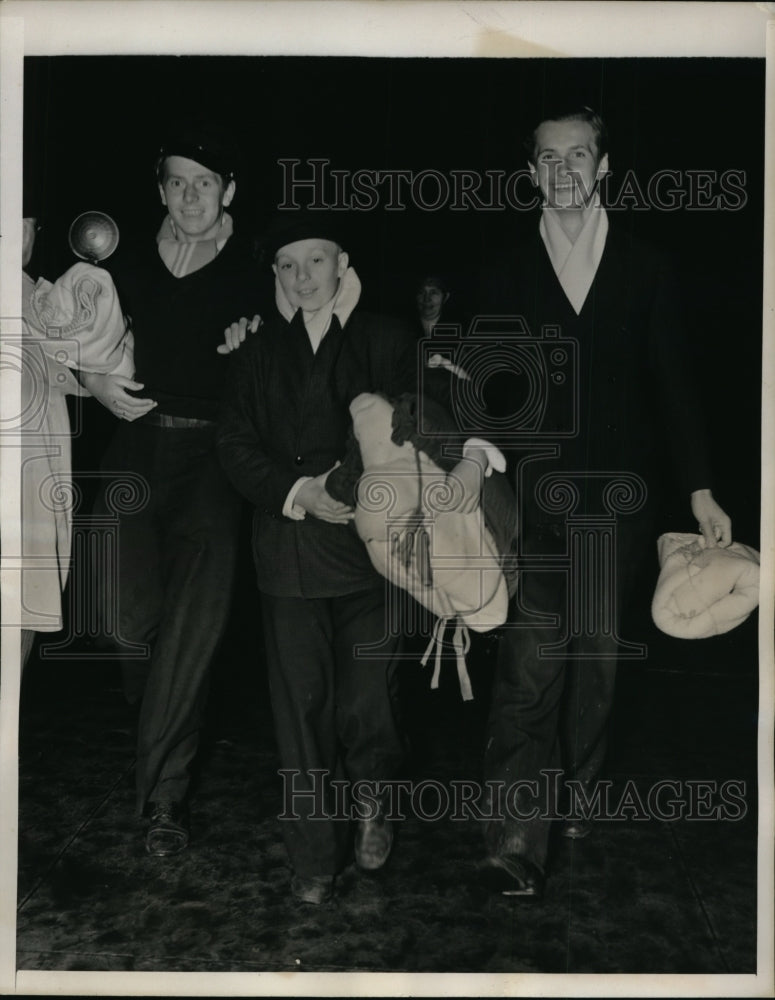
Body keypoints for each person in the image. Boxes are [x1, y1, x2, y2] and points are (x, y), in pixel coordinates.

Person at [476, 108, 732, 897]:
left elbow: (674, 386)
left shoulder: (647, 267)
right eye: (548, 158)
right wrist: (477, 455)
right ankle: (515, 839)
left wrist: (699, 489)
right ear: (531, 174)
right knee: (528, 667)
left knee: (593, 666)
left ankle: (577, 790)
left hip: (617, 503)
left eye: (577, 156)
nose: (563, 171)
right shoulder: (509, 268)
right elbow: (489, 383)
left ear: (602, 166)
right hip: (536, 498)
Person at [217, 217, 416, 905]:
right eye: (287, 265)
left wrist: (349, 489)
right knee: (298, 713)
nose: (303, 277)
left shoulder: (384, 338)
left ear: (342, 263)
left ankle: (372, 803)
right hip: (289, 549)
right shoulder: (254, 351)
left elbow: (407, 426)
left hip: (372, 550)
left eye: (316, 260)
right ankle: (311, 853)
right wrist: (300, 491)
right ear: (274, 274)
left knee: (368, 704)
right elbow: (235, 446)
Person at [79, 129, 263, 857]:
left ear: (228, 191)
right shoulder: (119, 263)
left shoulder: (256, 270)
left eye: (205, 183)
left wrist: (259, 336)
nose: (191, 196)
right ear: (160, 191)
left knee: (191, 633)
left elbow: (320, 307)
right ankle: (159, 702)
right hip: (135, 449)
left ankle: (163, 801)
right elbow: (64, 344)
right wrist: (92, 380)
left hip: (214, 460)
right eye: (177, 183)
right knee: (122, 616)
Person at [19, 213, 132, 670]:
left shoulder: (38, 296)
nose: (18, 236)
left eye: (27, 223)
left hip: (32, 479)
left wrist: (97, 377)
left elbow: (87, 356)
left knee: (26, 597)